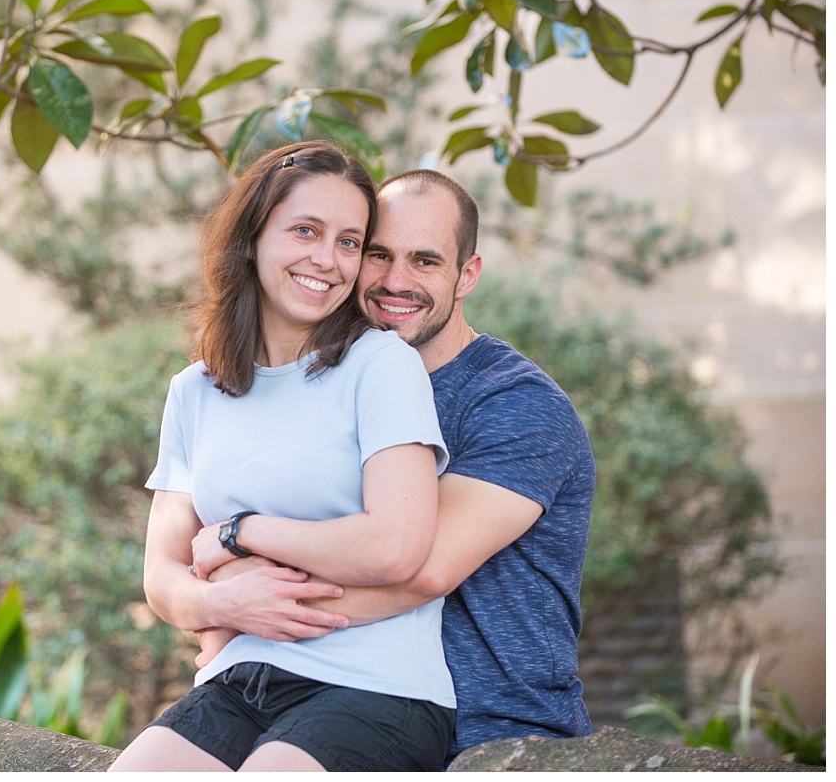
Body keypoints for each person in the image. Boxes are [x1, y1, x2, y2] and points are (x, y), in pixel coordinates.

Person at [191, 168, 595, 766]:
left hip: (497, 735)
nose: (395, 282)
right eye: (377, 254)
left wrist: (243, 605)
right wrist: (219, 606)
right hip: (325, 711)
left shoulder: (516, 405)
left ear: (467, 276)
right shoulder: (327, 383)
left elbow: (418, 571)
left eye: (426, 262)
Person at [107, 142, 457, 773]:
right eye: (305, 230)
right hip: (239, 679)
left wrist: (240, 537)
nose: (328, 260)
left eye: (350, 242)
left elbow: (397, 545)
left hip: (377, 688)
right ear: (253, 237)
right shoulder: (194, 391)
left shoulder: (380, 366)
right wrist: (220, 606)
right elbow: (161, 575)